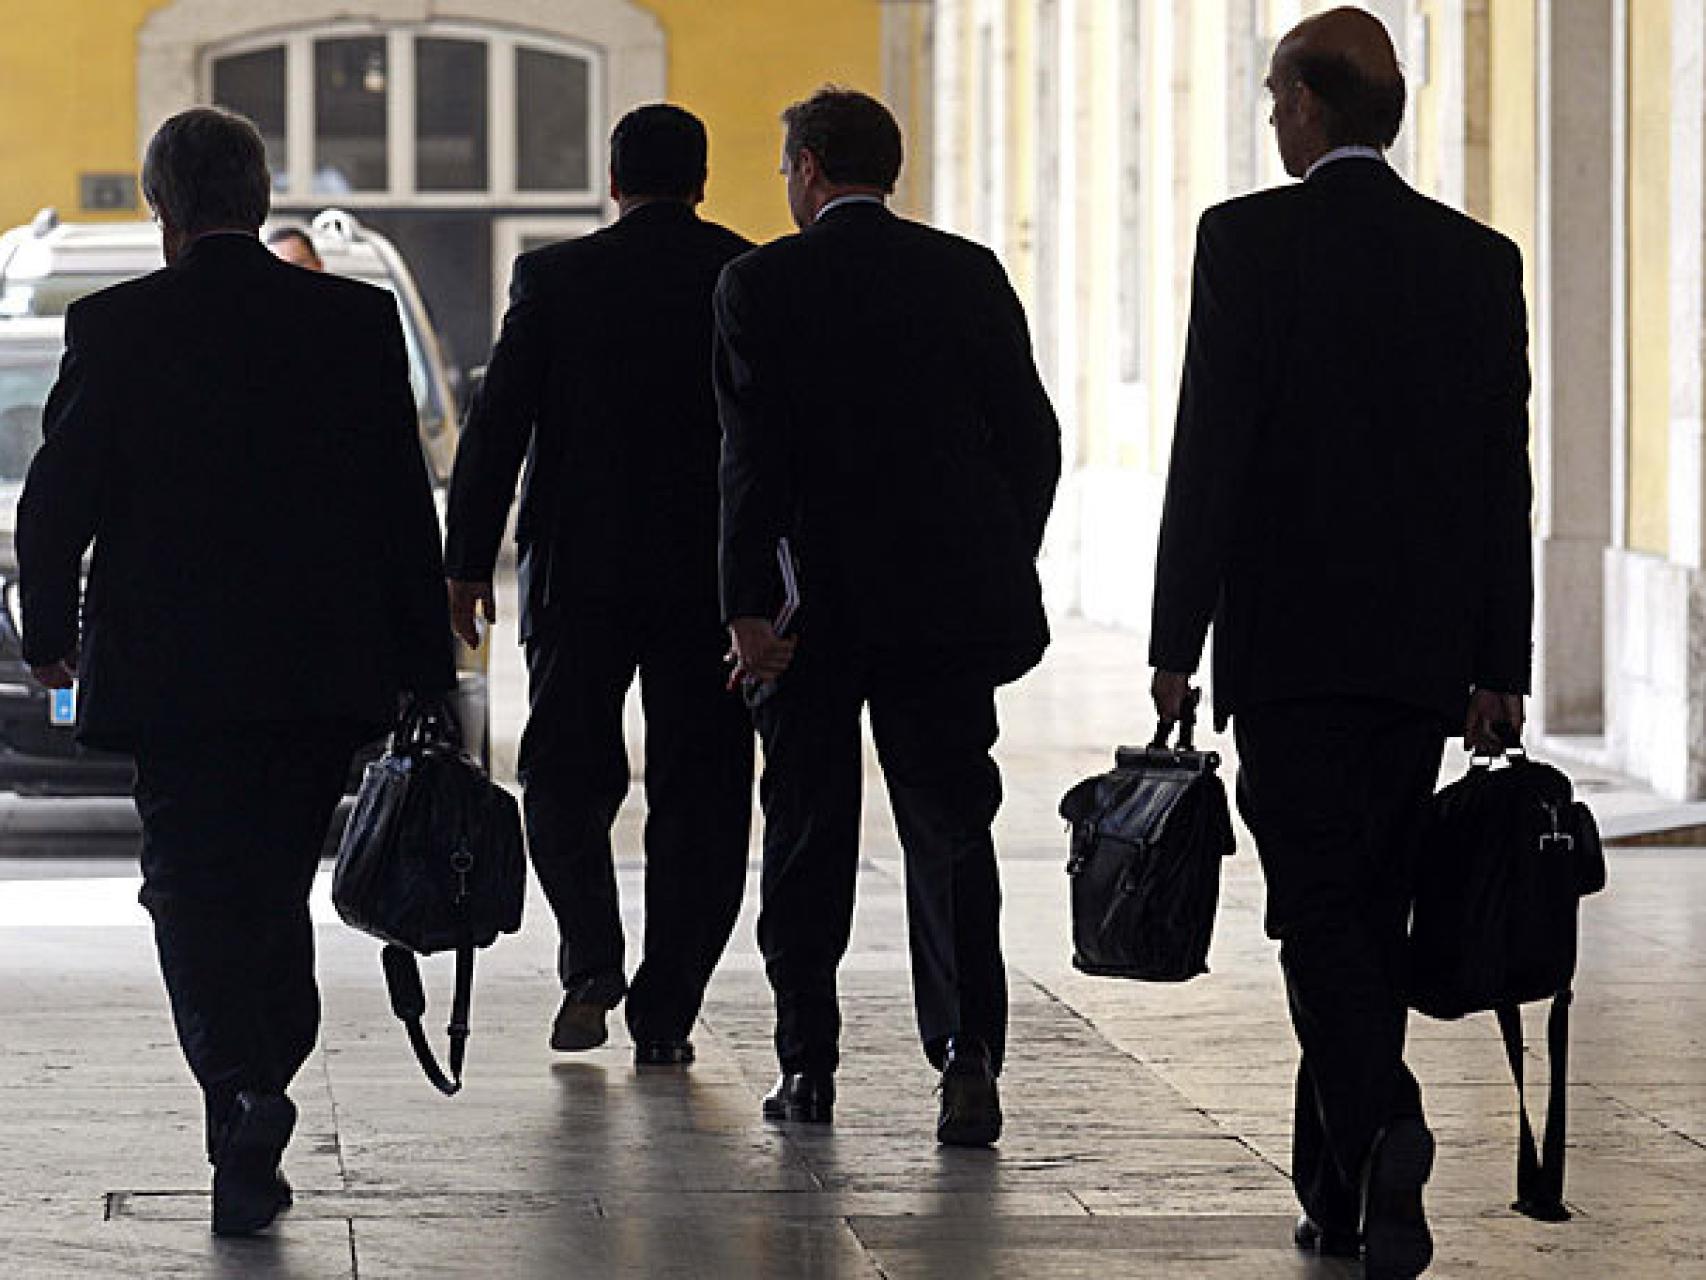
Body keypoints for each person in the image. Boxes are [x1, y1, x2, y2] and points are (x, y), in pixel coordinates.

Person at [16, 107, 452, 1236]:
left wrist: (49, 631)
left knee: (189, 886)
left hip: (171, 675)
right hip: (318, 669)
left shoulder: (115, 326)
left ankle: (245, 1088)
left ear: (163, 208)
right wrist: (423, 669)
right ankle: (260, 1073)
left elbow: (56, 500)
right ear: (259, 201)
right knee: (272, 880)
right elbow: (400, 512)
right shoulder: (352, 322)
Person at [1147, 10, 1532, 1278]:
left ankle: (1388, 1120)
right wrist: (1497, 660)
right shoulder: (1476, 259)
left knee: (1313, 904)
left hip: (1290, 646)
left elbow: (1210, 448)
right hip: (1419, 657)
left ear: (1312, 108)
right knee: (1361, 900)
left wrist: (1172, 636)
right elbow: (1498, 482)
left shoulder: (1245, 241)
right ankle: (1337, 1191)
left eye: (1274, 96)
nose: (1268, 117)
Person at [715, 87, 1060, 1146]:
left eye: (785, 167)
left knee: (807, 834)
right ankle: (966, 1058)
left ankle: (805, 1065)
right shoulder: (965, 272)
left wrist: (745, 610)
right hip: (943, 611)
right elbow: (1032, 439)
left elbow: (750, 463)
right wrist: (998, 554)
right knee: (951, 832)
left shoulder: (759, 283)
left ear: (811, 166)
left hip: (811, 611)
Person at [445, 104, 755, 1067]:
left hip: (582, 568)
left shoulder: (556, 275)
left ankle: (589, 961)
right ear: (701, 182)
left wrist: (463, 563)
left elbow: (497, 427)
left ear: (612, 183)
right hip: (713, 573)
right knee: (704, 788)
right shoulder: (745, 273)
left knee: (564, 773)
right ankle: (667, 1006)